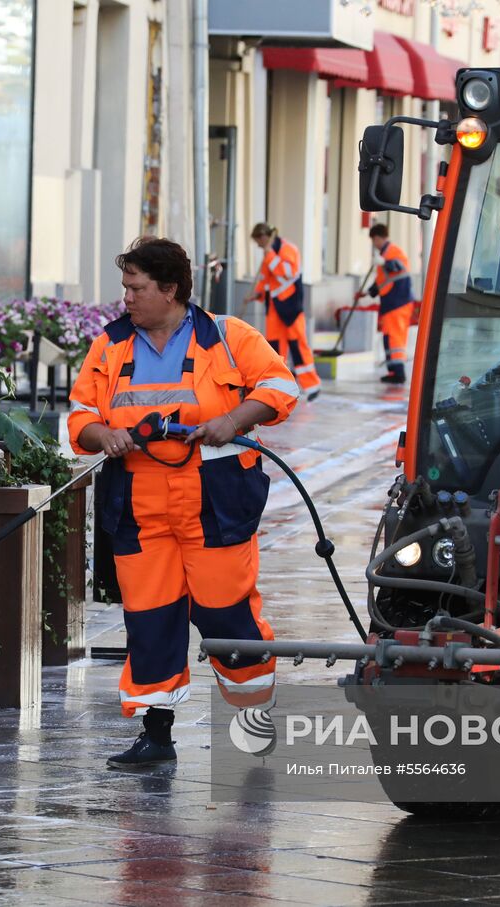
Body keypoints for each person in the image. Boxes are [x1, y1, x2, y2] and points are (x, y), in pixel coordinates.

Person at [69, 237, 301, 769]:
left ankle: (253, 729)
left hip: (213, 502)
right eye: (125, 287)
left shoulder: (228, 336)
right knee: (149, 619)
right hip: (138, 501)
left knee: (228, 618)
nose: (126, 298)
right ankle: (156, 736)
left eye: (136, 288)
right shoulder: (110, 346)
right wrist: (102, 434)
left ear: (169, 290)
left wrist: (234, 421)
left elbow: (279, 385)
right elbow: (80, 416)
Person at [243, 223, 322, 401]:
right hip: (274, 308)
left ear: (263, 237)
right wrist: (256, 294)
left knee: (298, 345)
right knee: (275, 349)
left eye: (258, 242)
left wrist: (270, 255)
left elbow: (288, 272)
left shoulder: (287, 249)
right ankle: (280, 386)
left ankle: (312, 385)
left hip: (291, 307)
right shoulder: (268, 254)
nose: (258, 246)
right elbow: (266, 279)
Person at [357, 223, 413, 384]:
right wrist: (367, 293)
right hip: (391, 302)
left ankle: (399, 373)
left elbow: (399, 266)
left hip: (398, 301)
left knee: (395, 338)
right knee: (389, 337)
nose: (374, 243)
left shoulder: (393, 252)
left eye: (374, 240)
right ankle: (392, 371)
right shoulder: (385, 253)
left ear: (379, 238)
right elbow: (382, 281)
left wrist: (384, 262)